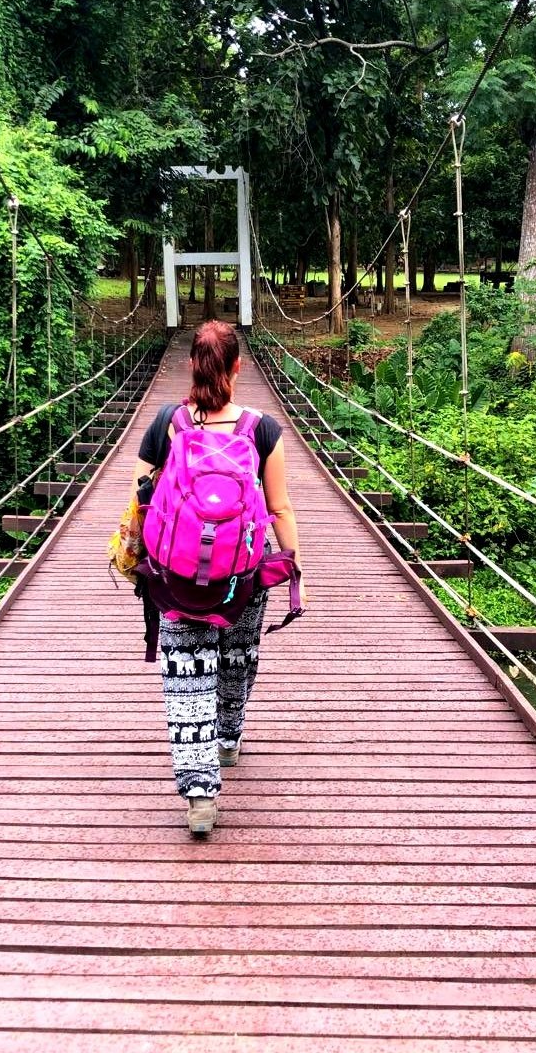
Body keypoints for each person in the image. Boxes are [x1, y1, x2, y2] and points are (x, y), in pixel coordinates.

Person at [131, 320, 305, 835]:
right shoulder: (262, 429)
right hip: (242, 573)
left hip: (177, 574)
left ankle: (199, 796)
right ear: (237, 367)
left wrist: (141, 553)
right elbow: (280, 508)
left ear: (191, 365)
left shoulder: (167, 422)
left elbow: (141, 495)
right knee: (237, 658)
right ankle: (227, 739)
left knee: (187, 676)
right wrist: (295, 567)